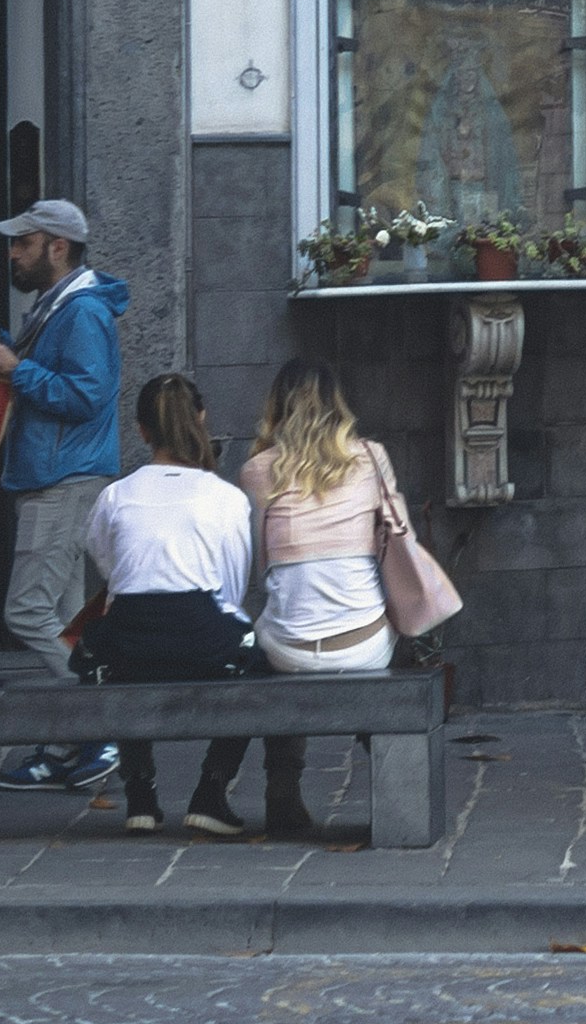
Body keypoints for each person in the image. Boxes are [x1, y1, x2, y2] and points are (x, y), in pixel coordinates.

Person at [188, 356, 398, 845]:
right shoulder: (372, 458)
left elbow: (264, 569)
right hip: (364, 645)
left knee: (265, 654)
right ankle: (394, 785)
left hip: (289, 649)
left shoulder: (257, 471)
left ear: (276, 407)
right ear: (337, 406)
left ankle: (257, 791)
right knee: (380, 647)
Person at [0, 196, 127, 793]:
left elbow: (88, 395)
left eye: (23, 242)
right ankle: (66, 746)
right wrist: (10, 350)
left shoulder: (81, 311)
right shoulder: (57, 305)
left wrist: (17, 370)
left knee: (25, 610)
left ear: (56, 248)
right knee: (61, 622)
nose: (12, 252)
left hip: (63, 478)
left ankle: (97, 728)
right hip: (56, 474)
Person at [82, 374, 259, 838]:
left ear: (141, 430)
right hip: (200, 632)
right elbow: (232, 588)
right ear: (202, 419)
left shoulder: (115, 495)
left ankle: (140, 793)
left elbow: (109, 567)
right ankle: (211, 790)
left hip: (130, 639)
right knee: (258, 663)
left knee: (113, 654)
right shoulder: (226, 498)